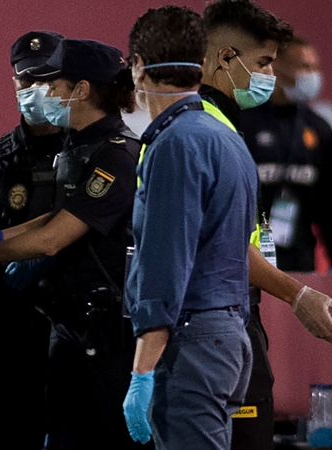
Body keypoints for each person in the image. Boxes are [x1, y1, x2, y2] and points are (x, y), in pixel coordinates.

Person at [0, 37, 149, 449]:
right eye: (32, 80)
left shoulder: (116, 153)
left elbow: (52, 238)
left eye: (53, 83)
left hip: (101, 331)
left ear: (80, 89)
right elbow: (53, 220)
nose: (45, 92)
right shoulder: (72, 148)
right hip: (56, 328)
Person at [122, 6, 258, 449]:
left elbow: (165, 265)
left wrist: (142, 372)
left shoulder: (175, 144)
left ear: (138, 68)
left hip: (192, 343)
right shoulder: (224, 136)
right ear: (199, 66)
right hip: (226, 336)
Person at [199, 3, 332, 448]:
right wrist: (297, 294)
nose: (270, 73)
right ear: (225, 57)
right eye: (263, 62)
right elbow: (221, 243)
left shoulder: (313, 129)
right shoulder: (208, 131)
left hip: (256, 290)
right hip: (219, 313)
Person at [0, 30, 63, 450]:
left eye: (45, 79)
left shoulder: (93, 155)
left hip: (75, 323)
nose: (34, 90)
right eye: (26, 81)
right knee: (11, 435)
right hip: (14, 328)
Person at [239, 36, 332, 273]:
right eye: (304, 67)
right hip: (249, 260)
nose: (312, 75)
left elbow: (329, 208)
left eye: (314, 67)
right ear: (277, 68)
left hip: (300, 260)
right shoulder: (243, 122)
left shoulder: (319, 129)